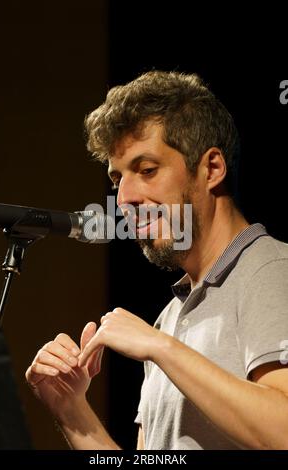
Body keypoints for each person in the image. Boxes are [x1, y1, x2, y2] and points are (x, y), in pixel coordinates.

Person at [26, 71, 288, 450]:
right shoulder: (168, 319)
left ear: (211, 168)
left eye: (146, 170)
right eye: (117, 181)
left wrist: (160, 349)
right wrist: (71, 409)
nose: (124, 198)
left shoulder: (269, 270)